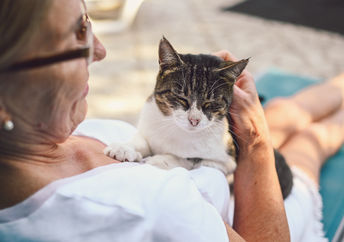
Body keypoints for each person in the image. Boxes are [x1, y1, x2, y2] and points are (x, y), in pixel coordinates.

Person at [0, 0, 343, 241]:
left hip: (217, 157)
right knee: (309, 143)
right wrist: (255, 139)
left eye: (89, 24)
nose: (100, 50)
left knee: (282, 111)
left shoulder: (46, 129)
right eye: (77, 34)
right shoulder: (149, 209)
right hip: (257, 207)